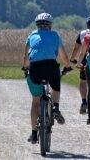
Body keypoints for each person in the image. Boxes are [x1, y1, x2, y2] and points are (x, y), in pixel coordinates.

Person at [22, 12, 72, 144]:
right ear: (50, 25)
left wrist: (25, 68)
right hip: (51, 68)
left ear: (37, 25)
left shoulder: (31, 36)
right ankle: (55, 107)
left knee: (35, 101)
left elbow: (26, 58)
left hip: (35, 69)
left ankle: (33, 134)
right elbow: (64, 56)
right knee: (55, 86)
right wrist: (67, 66)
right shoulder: (55, 35)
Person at [69, 16, 90, 114]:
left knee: (83, 81)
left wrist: (72, 59)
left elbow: (76, 48)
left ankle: (84, 101)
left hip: (85, 59)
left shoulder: (82, 33)